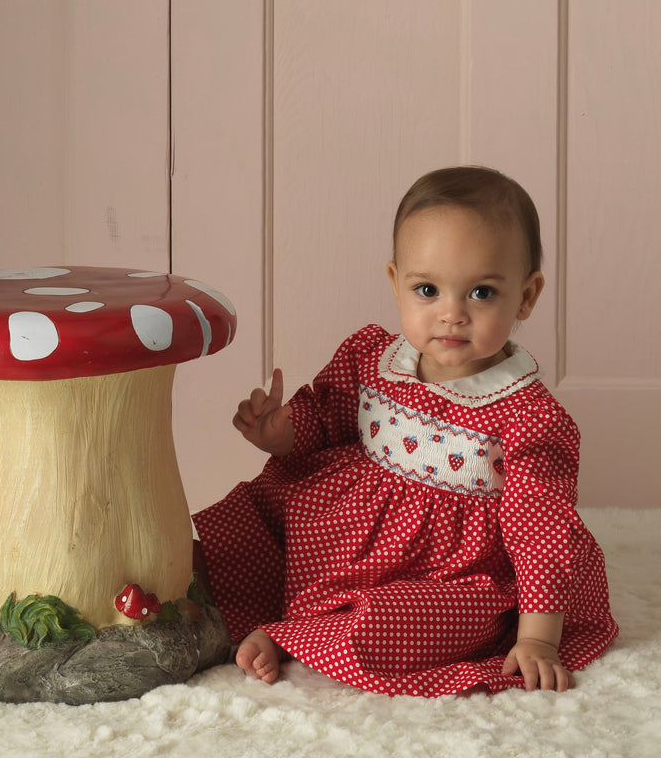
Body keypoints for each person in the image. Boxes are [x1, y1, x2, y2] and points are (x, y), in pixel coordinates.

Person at [192, 166, 618, 697]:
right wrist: (280, 433)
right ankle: (246, 602)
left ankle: (300, 632)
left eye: (482, 292)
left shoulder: (528, 416)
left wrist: (538, 640)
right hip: (349, 532)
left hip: (450, 571)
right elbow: (328, 416)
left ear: (527, 297)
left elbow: (541, 533)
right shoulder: (374, 358)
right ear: (396, 285)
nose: (452, 314)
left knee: (405, 619)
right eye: (427, 289)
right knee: (257, 519)